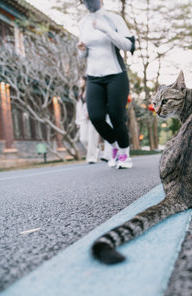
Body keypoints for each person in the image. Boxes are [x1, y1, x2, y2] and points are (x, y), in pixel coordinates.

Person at [76, 0, 135, 169]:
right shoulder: (83, 22)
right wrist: (81, 50)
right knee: (95, 117)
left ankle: (124, 154)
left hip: (115, 74)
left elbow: (128, 45)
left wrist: (107, 30)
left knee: (117, 116)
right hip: (93, 76)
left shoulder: (114, 19)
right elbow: (84, 53)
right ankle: (115, 146)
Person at [75, 76, 100, 164]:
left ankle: (91, 158)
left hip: (92, 117)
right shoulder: (80, 94)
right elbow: (78, 109)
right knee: (83, 139)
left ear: (86, 81)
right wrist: (78, 121)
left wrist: (91, 112)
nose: (79, 82)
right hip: (83, 120)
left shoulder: (92, 91)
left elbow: (97, 102)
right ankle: (95, 149)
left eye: (81, 80)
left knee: (92, 137)